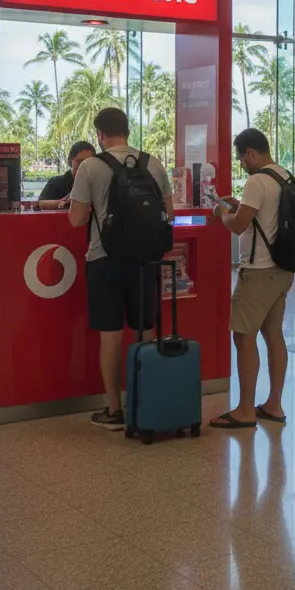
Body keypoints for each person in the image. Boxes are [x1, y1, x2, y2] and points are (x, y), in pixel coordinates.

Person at [68, 108, 173, 429]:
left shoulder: (90, 166)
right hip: (145, 259)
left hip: (105, 260)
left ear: (100, 134)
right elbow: (168, 212)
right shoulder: (152, 163)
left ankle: (114, 410)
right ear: (127, 130)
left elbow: (76, 219)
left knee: (111, 336)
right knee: (147, 331)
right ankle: (150, 402)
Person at [210, 128, 295, 427]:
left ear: (250, 153)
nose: (242, 165)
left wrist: (223, 213)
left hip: (258, 272)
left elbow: (238, 226)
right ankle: (274, 404)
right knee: (274, 334)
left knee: (244, 337)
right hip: (283, 269)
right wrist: (239, 206)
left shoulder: (257, 181)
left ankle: (245, 410)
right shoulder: (284, 175)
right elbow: (263, 216)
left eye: (241, 159)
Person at [37, 141, 96, 210]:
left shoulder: (98, 183)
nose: (83, 166)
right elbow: (42, 204)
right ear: (70, 161)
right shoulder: (56, 182)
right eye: (79, 161)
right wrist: (67, 201)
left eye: (88, 162)